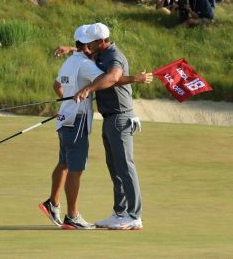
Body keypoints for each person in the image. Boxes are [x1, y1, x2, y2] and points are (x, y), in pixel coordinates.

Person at [64, 22, 153, 231]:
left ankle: (134, 215)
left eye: (90, 43)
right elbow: (86, 54)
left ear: (101, 41)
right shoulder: (99, 54)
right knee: (114, 168)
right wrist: (68, 49)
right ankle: (120, 212)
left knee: (125, 166)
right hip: (109, 118)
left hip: (121, 117)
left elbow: (113, 77)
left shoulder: (114, 55)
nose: (88, 46)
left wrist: (88, 89)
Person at [41, 25, 106, 230]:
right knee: (75, 169)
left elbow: (57, 85)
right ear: (88, 45)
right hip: (77, 121)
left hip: (64, 118)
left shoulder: (70, 61)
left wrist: (67, 102)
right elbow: (107, 78)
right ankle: (72, 216)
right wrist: (134, 79)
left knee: (64, 164)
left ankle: (52, 203)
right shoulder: (86, 65)